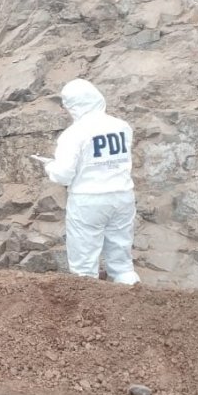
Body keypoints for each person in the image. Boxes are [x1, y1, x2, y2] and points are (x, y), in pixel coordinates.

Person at [43, 79, 140, 284]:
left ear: (73, 106)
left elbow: (63, 174)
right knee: (121, 260)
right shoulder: (122, 126)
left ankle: (88, 310)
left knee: (84, 265)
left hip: (88, 200)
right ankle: (130, 294)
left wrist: (49, 166)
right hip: (122, 195)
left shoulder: (75, 133)